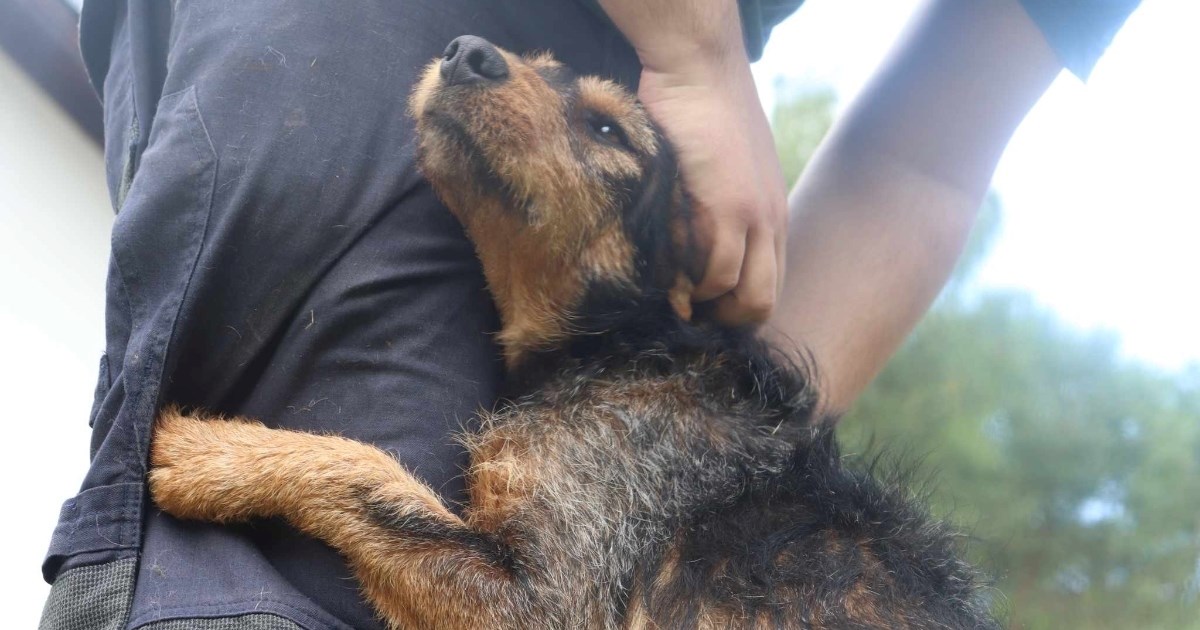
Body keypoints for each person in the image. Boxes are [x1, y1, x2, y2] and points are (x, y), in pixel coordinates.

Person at [39, 1, 1138, 628]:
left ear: (659, 276)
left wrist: (741, 446)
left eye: (602, 135)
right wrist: (697, 49)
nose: (490, 69)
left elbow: (922, 163)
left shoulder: (619, 422)